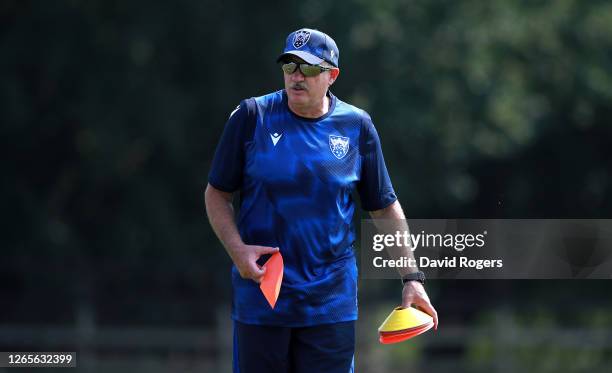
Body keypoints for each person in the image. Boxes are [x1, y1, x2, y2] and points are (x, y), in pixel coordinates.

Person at [205, 28, 438, 373]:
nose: (297, 76)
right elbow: (216, 194)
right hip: (262, 298)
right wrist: (238, 250)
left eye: (310, 68)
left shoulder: (357, 126)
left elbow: (384, 207)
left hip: (330, 303)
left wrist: (412, 278)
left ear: (332, 75)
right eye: (290, 66)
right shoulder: (251, 117)